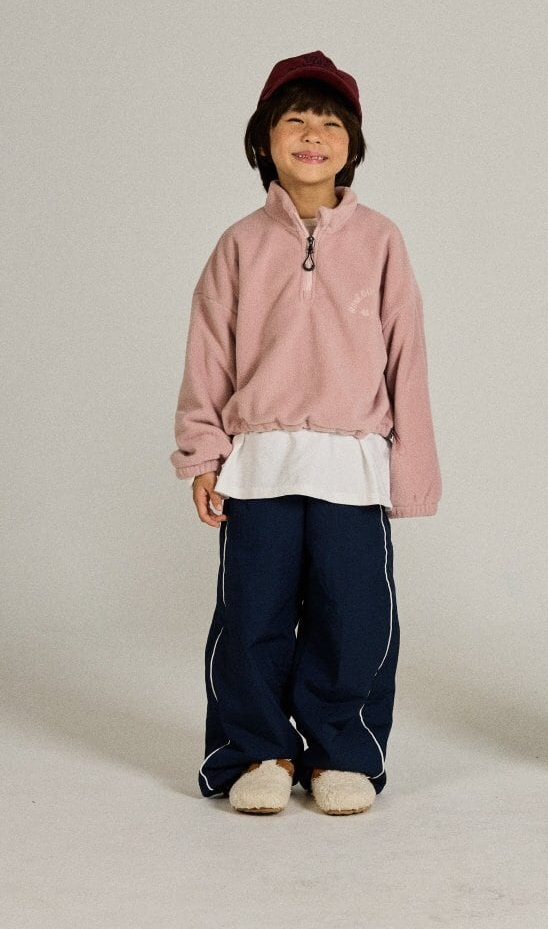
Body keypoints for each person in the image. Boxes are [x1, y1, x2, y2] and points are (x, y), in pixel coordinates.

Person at [172, 51, 441, 816]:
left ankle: (340, 753)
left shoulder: (381, 240)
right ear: (265, 138)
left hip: (353, 464)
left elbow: (407, 356)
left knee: (354, 617)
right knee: (251, 615)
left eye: (330, 123)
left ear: (352, 144)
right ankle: (257, 750)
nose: (313, 135)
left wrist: (412, 471)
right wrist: (203, 453)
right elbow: (208, 353)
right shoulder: (239, 244)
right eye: (295, 120)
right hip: (259, 463)